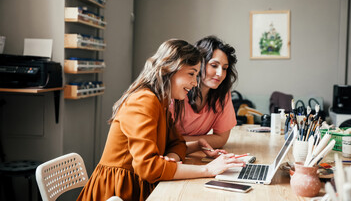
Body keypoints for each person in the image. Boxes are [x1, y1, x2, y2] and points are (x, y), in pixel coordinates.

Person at [77, 39, 244, 201]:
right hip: (118, 191)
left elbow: (176, 143)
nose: (195, 82)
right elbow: (148, 168)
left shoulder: (161, 102)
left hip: (139, 185)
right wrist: (207, 169)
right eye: (192, 74)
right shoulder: (144, 101)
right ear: (169, 69)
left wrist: (181, 153)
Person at [172, 36, 238, 149]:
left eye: (224, 68)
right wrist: (204, 141)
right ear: (198, 63)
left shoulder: (222, 94)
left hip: (189, 153)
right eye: (214, 65)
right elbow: (162, 140)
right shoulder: (176, 91)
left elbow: (221, 139)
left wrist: (181, 141)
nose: (220, 73)